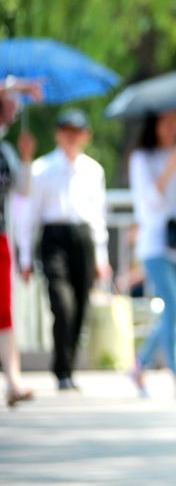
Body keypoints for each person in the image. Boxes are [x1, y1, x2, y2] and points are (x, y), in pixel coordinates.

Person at [19, 108, 111, 391]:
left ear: (85, 136)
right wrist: (25, 257)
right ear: (59, 135)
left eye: (77, 132)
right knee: (62, 304)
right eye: (66, 132)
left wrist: (102, 256)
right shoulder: (41, 169)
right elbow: (29, 216)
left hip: (82, 239)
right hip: (53, 237)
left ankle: (68, 367)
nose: (71, 138)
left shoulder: (93, 170)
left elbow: (98, 215)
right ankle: (61, 369)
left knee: (80, 305)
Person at [127, 110, 176, 399]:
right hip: (155, 241)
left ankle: (140, 364)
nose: (173, 129)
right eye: (167, 122)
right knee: (172, 305)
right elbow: (148, 202)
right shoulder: (141, 159)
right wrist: (170, 168)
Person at [0, 77, 40, 407]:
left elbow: (23, 190)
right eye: (11, 102)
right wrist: (15, 86)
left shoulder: (5, 151)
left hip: (0, 237)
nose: (15, 108)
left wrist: (26, 157)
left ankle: (13, 381)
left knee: (4, 312)